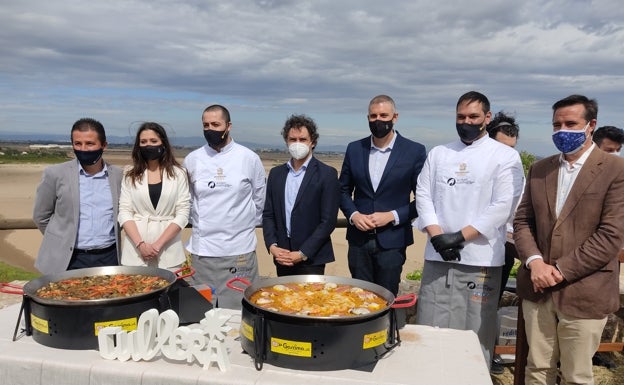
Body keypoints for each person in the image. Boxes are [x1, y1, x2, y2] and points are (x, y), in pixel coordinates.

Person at [514, 95, 624, 385]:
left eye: (570, 123)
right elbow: (523, 221)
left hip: (585, 290)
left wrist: (560, 271)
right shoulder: (541, 169)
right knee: (536, 370)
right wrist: (536, 263)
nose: (562, 130)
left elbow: (611, 235)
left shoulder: (615, 170)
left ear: (591, 125)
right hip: (538, 289)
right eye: (556, 124)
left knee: (576, 375)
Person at [414, 91, 524, 370]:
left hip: (480, 259)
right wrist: (439, 235)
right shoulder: (439, 153)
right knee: (430, 325)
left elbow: (503, 206)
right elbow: (424, 195)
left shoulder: (505, 157)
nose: (466, 122)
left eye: (473, 116)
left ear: (487, 118)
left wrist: (459, 236)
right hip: (438, 255)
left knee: (475, 330)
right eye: (460, 117)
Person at [339, 95, 426, 295]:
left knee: (387, 298)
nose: (378, 120)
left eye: (384, 115)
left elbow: (423, 199)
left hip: (393, 241)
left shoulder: (414, 151)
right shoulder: (354, 149)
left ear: (395, 117)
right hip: (358, 241)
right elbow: (342, 190)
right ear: (367, 118)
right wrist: (354, 215)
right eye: (373, 116)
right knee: (359, 297)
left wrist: (392, 216)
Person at [183, 104, 266, 309]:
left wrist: (239, 224)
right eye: (206, 125)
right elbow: (189, 200)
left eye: (215, 124)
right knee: (201, 312)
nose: (210, 129)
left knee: (242, 310)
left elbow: (259, 200)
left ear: (228, 126)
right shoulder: (192, 160)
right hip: (203, 253)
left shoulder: (248, 158)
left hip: (239, 252)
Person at [33, 118, 123, 274]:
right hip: (68, 259)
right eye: (78, 144)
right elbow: (41, 216)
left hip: (110, 257)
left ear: (104, 145)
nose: (84, 149)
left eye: (90, 143)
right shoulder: (55, 174)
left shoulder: (118, 175)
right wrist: (62, 240)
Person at [263, 115, 339, 276]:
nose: (297, 144)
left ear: (313, 142)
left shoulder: (326, 174)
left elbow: (328, 221)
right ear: (286, 141)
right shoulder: (276, 174)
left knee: (311, 300)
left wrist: (303, 252)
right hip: (282, 255)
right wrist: (272, 246)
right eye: (293, 139)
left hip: (312, 258)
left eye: (303, 139)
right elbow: (268, 214)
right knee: (282, 299)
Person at [117, 122, 190, 269]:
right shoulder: (129, 174)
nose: (148, 145)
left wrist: (157, 245)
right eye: (143, 142)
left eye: (153, 141)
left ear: (163, 143)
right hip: (136, 251)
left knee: (170, 290)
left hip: (169, 249)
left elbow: (183, 213)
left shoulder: (179, 174)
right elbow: (125, 212)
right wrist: (141, 244)